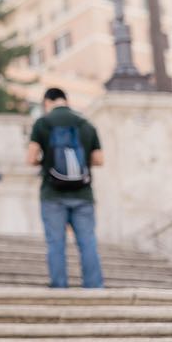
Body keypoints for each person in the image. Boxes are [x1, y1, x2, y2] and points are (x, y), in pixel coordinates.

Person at [28, 87, 105, 288]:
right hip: (83, 193)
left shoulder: (42, 123)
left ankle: (60, 285)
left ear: (47, 102)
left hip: (52, 192)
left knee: (56, 243)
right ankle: (94, 286)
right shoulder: (86, 124)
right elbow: (99, 159)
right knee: (87, 242)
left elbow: (30, 158)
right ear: (66, 100)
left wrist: (45, 162)